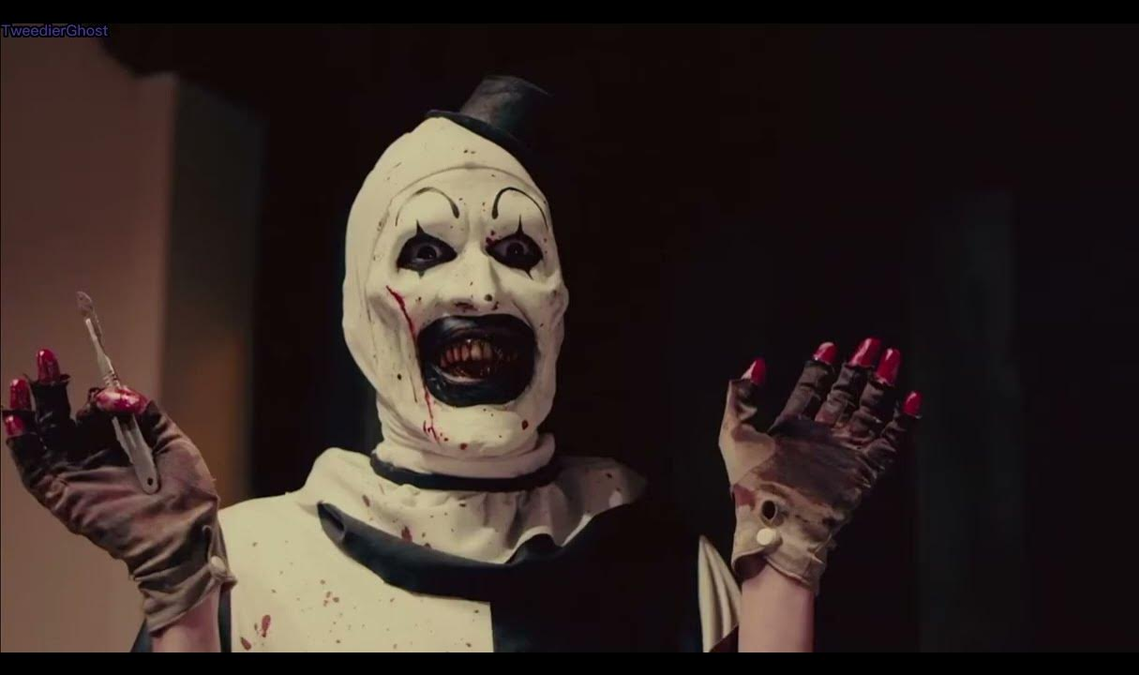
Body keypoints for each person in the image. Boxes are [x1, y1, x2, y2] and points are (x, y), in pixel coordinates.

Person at [1, 76, 920, 652]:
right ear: (363, 307)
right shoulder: (253, 566)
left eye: (517, 252)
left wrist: (783, 564)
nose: (480, 288)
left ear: (559, 302)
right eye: (425, 252)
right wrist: (184, 600)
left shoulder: (671, 571)